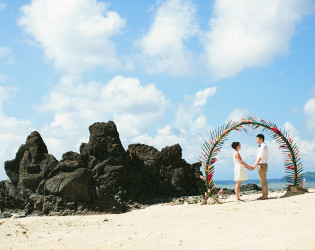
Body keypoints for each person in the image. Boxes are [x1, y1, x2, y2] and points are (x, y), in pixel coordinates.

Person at [252, 134, 269, 200]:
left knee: (263, 181)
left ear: (261, 139)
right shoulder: (261, 146)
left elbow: (260, 157)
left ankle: (264, 195)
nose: (256, 141)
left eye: (257, 139)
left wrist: (254, 165)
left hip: (262, 165)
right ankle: (264, 194)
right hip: (261, 164)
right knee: (263, 180)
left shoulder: (263, 146)